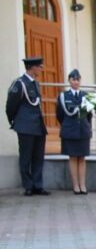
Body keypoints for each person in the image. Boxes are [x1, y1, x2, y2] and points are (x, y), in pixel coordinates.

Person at [6, 56, 49, 196]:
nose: (41, 69)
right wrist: (15, 122)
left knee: (38, 156)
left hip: (38, 126)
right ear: (32, 67)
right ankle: (28, 186)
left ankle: (38, 185)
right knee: (26, 157)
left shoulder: (36, 84)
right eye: (39, 67)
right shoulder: (19, 84)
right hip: (25, 126)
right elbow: (10, 106)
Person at [56, 69, 92, 194]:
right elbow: (60, 115)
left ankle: (83, 185)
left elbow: (89, 115)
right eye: (73, 79)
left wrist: (86, 127)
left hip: (83, 130)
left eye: (78, 79)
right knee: (72, 158)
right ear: (69, 80)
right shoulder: (63, 96)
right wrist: (68, 125)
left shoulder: (86, 96)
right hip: (70, 131)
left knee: (82, 158)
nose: (76, 82)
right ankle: (75, 185)